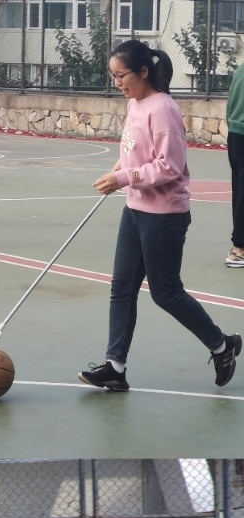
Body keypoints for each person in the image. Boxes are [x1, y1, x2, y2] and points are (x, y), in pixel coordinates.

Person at [79, 39, 241, 392]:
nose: (117, 82)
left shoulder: (163, 109)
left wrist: (124, 178)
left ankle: (222, 345)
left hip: (164, 216)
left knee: (165, 291)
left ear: (143, 72)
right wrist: (118, 169)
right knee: (122, 288)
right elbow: (135, 150)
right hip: (135, 210)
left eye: (121, 75)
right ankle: (115, 366)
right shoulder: (135, 103)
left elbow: (170, 166)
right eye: (113, 76)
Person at [225, 59, 244, 266]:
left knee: (239, 192)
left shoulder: (239, 71)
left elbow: (229, 107)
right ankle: (239, 249)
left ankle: (238, 246)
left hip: (235, 134)